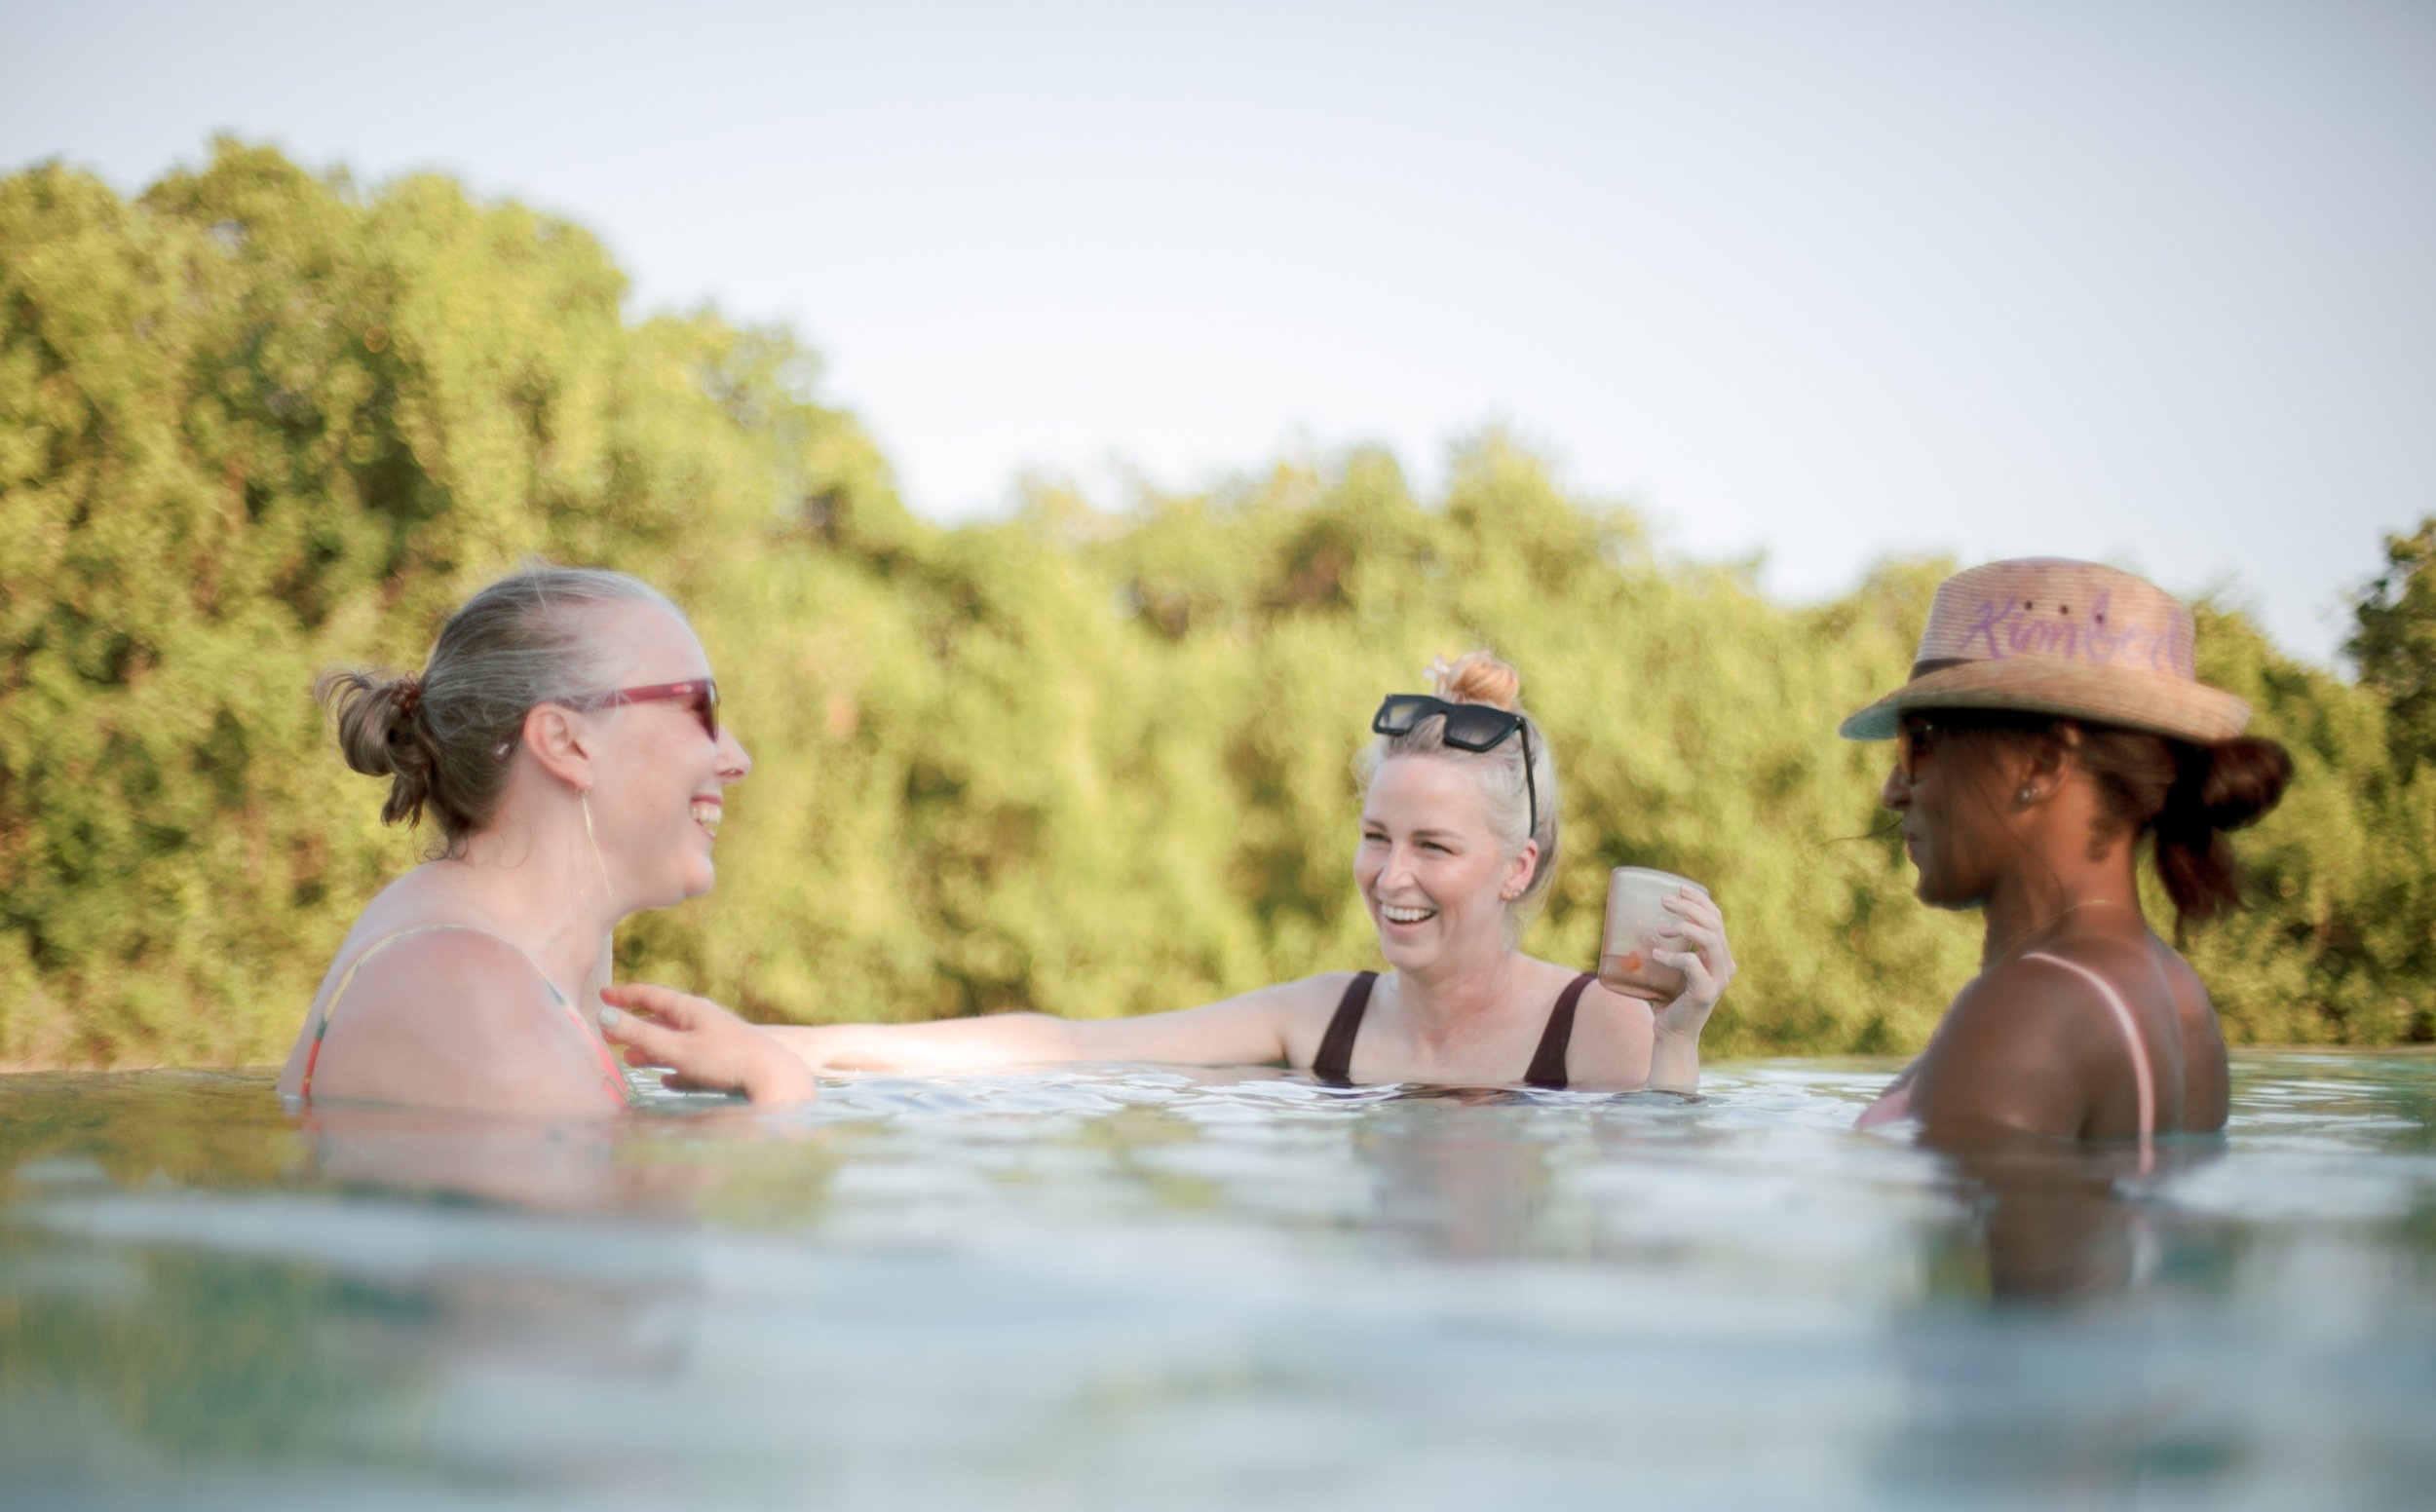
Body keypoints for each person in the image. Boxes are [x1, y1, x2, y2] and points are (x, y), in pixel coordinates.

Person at [605, 653, 1734, 1091]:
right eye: (1376, 835)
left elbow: (1659, 1257)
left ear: (1515, 866)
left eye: (1434, 847)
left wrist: (1676, 1041)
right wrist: (782, 1046)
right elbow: (1070, 1046)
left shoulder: (1604, 1031)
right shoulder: (1321, 1018)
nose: (1390, 876)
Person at [279, 566, 815, 1115]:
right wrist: (781, 1096)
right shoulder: (468, 994)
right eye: (698, 708)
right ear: (565, 742)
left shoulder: (514, 964)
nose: (736, 760)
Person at [1844, 558, 2292, 1152]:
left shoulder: (2030, 1010)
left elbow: (1978, 1247)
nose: (1893, 790)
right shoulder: (2179, 996)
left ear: (2044, 762)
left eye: (1919, 743)